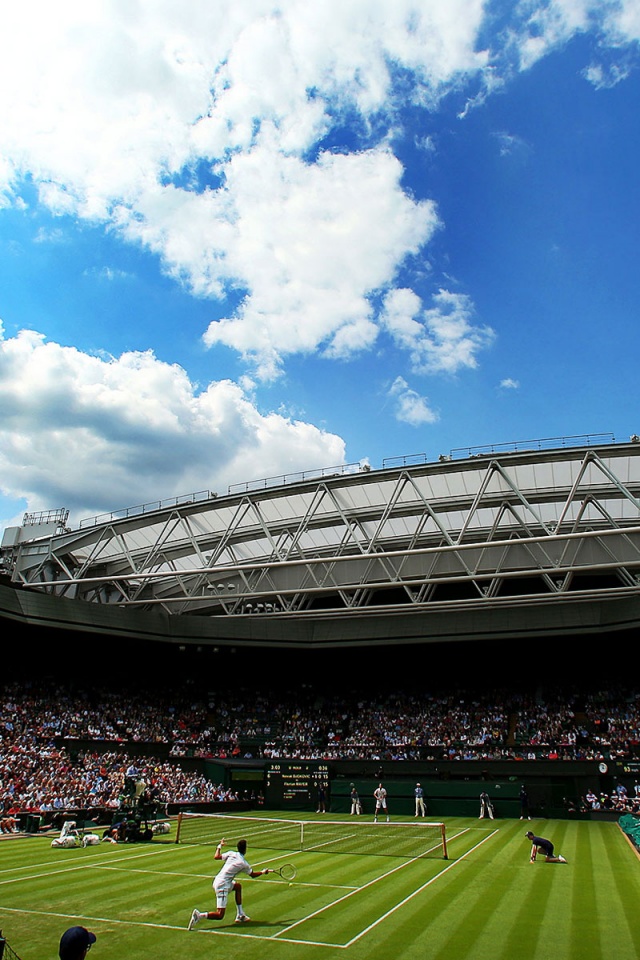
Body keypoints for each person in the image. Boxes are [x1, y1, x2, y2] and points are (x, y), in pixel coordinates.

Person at [188, 837, 270, 929]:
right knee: (220, 915)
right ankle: (199, 916)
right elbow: (253, 874)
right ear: (245, 849)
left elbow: (216, 856)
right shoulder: (243, 863)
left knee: (237, 886)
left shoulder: (231, 853)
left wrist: (219, 846)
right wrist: (263, 872)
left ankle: (240, 915)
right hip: (222, 885)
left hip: (217, 880)